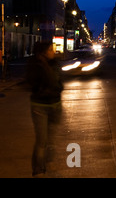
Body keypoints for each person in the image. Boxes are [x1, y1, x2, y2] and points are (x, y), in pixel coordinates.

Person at [25, 41, 64, 177]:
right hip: (40, 106)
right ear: (43, 52)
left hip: (55, 105)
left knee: (50, 139)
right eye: (50, 50)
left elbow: (59, 82)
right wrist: (45, 90)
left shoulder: (54, 63)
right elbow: (32, 83)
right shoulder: (35, 65)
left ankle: (48, 163)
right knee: (42, 141)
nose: (53, 52)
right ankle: (38, 170)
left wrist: (57, 89)